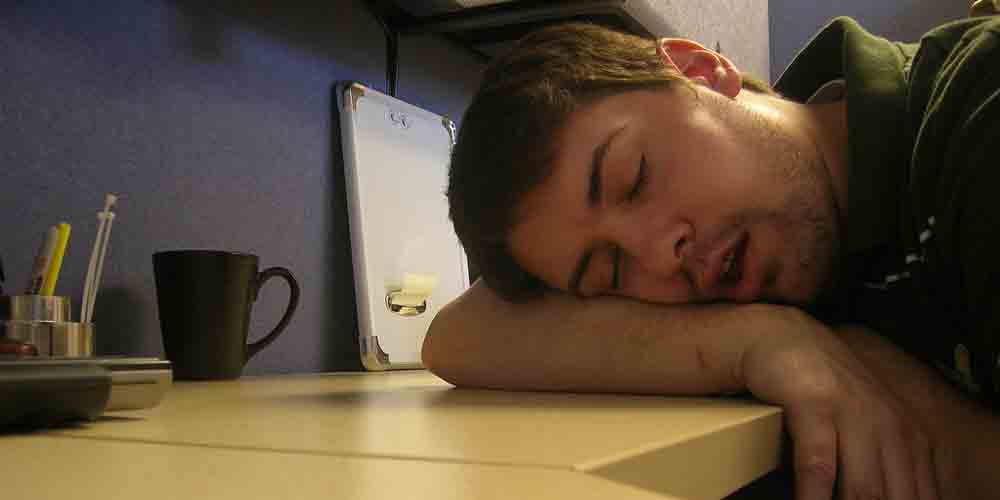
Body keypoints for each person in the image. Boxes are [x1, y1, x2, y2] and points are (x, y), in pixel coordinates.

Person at [423, 7, 1000, 500]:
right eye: (611, 271)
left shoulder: (976, 110)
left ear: (699, 70)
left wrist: (918, 405)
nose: (659, 257)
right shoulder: (777, 243)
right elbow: (457, 334)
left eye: (635, 178)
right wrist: (761, 339)